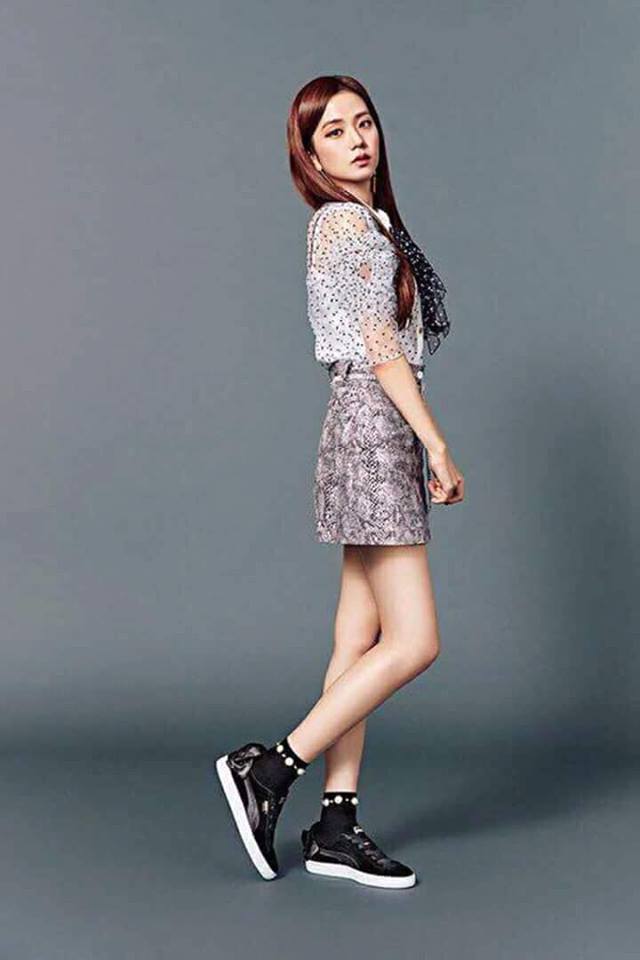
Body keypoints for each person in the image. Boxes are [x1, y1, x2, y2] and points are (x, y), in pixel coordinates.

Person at [215, 75, 464, 889]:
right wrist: (434, 443)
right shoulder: (343, 224)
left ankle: (334, 825)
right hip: (374, 426)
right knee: (414, 642)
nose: (357, 139)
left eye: (364, 123)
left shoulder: (366, 221)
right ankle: (270, 769)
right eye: (334, 131)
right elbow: (379, 344)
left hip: (364, 423)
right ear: (310, 154)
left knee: (357, 638)